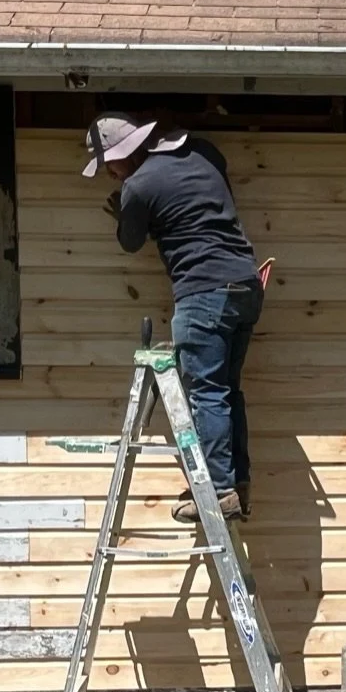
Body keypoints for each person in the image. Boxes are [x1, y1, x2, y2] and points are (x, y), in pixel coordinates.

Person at [85, 114, 264, 524]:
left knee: (206, 394)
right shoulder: (202, 151)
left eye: (109, 165)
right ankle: (237, 484)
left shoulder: (138, 186)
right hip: (245, 285)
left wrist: (130, 214)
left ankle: (219, 492)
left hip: (203, 293)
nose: (111, 174)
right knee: (226, 392)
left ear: (123, 154)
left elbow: (130, 242)